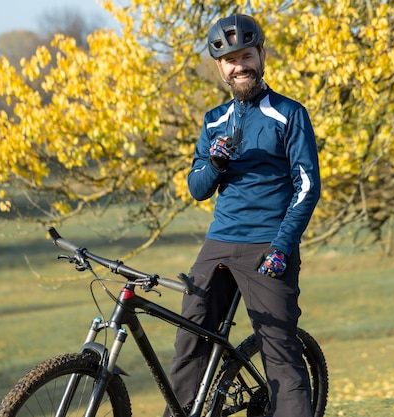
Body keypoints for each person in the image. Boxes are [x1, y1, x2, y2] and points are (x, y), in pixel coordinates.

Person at [164, 13, 321, 417]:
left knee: (280, 354)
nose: (240, 66)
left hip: (268, 244)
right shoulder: (213, 120)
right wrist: (213, 163)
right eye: (230, 60)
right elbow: (198, 189)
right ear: (220, 67)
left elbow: (307, 187)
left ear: (261, 55)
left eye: (246, 55)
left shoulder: (289, 114)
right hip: (218, 243)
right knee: (190, 344)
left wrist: (283, 246)